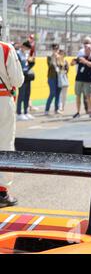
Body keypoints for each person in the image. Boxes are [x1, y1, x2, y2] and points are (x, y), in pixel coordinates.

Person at [0, 16, 24, 207]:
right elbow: (17, 80)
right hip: (2, 100)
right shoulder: (6, 48)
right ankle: (1, 192)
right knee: (4, 143)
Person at [71, 44, 91, 118]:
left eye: (88, 49)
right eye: (85, 49)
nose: (86, 50)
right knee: (78, 95)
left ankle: (90, 111)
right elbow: (72, 64)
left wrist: (85, 61)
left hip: (88, 80)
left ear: (90, 50)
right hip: (79, 79)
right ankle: (78, 112)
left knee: (88, 96)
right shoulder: (80, 57)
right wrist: (74, 61)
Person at [16, 41, 35, 121]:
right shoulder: (18, 54)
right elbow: (18, 66)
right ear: (23, 46)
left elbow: (29, 66)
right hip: (21, 76)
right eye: (26, 48)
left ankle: (26, 112)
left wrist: (32, 62)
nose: (27, 50)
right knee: (21, 95)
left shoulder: (27, 55)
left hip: (27, 76)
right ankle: (19, 113)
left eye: (28, 49)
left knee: (27, 94)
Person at [44, 44, 63, 115]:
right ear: (52, 49)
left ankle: (56, 109)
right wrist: (53, 58)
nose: (56, 50)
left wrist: (58, 59)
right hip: (51, 77)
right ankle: (47, 109)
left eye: (57, 49)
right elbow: (50, 65)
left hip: (59, 78)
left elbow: (62, 66)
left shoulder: (60, 57)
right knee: (52, 93)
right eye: (54, 49)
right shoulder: (49, 57)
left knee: (58, 94)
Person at [57, 49, 70, 113]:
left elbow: (67, 69)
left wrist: (64, 70)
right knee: (60, 94)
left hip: (65, 78)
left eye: (63, 54)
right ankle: (59, 106)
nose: (61, 55)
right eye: (60, 54)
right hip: (59, 79)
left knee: (65, 94)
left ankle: (63, 107)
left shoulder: (66, 61)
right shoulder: (57, 61)